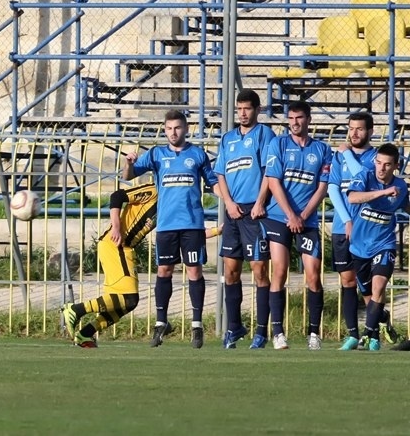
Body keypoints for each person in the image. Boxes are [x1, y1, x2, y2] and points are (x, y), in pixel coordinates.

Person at [60, 182, 222, 348]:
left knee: (128, 303)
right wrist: (116, 226)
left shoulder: (172, 202)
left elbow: (190, 232)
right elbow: (117, 196)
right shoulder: (155, 189)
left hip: (125, 248)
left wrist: (218, 230)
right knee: (128, 298)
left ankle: (85, 333)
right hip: (115, 245)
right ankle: (75, 310)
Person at [122, 110, 218, 349]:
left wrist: (231, 200)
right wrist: (128, 164)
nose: (173, 132)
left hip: (192, 224)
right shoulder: (156, 154)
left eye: (177, 128)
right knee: (164, 271)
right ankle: (161, 322)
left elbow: (214, 183)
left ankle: (197, 326)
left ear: (186, 129)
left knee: (194, 271)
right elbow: (128, 176)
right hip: (166, 224)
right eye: (168, 128)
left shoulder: (197, 154)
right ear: (164, 130)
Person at [263, 101, 332, 350]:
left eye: (299, 117)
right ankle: (278, 332)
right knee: (279, 271)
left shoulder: (322, 149)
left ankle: (314, 334)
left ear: (309, 119)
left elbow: (322, 187)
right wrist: (291, 215)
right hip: (279, 216)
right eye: (290, 118)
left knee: (313, 275)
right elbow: (274, 182)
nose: (294, 122)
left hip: (308, 219)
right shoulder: (278, 144)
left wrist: (302, 215)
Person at [327, 113, 398, 350]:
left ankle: (373, 332)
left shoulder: (375, 159)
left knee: (370, 288)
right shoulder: (339, 157)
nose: (354, 133)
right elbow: (334, 188)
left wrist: (347, 152)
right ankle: (353, 335)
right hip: (343, 225)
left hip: (366, 229)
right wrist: (346, 219)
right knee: (348, 281)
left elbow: (360, 176)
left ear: (370, 131)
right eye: (351, 128)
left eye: (359, 129)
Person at [214, 89, 275, 349]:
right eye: (239, 108)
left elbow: (269, 172)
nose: (242, 113)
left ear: (257, 110)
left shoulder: (265, 135)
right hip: (233, 211)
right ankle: (235, 327)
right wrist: (227, 203)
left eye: (247, 108)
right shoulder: (227, 139)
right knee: (230, 271)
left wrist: (260, 202)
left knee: (259, 270)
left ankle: (261, 331)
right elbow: (220, 174)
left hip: (254, 211)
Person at [346, 143, 409, 351]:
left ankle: (366, 337)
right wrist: (382, 193)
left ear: (395, 166)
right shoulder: (365, 176)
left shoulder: (400, 187)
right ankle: (382, 318)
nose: (381, 168)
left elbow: (406, 205)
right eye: (379, 163)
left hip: (384, 244)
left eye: (387, 164)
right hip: (359, 247)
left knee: (379, 287)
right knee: (370, 297)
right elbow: (353, 198)